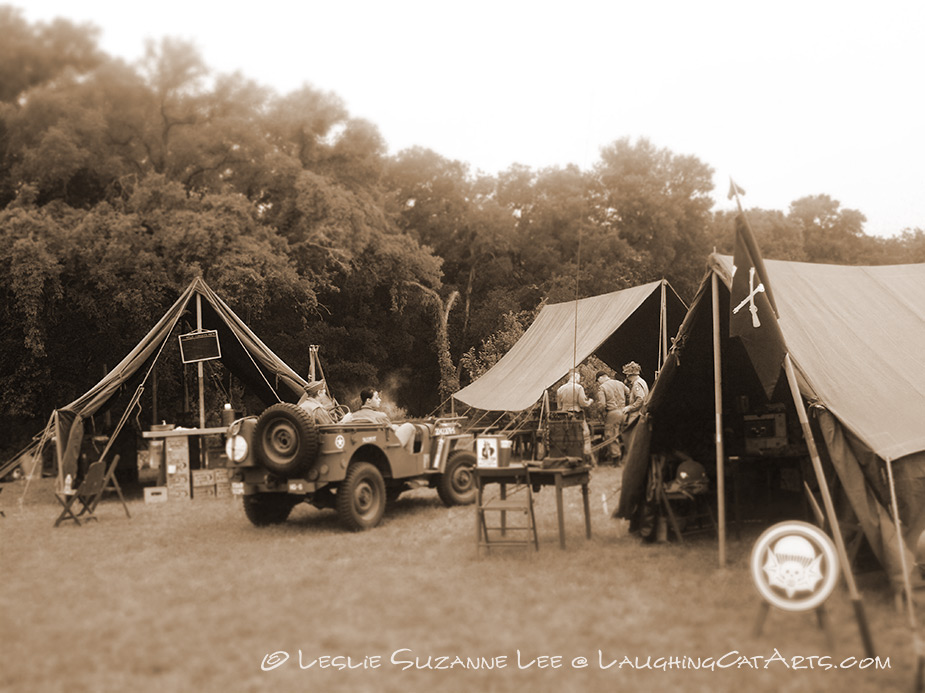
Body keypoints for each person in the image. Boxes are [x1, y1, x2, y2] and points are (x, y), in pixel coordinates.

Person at [341, 388, 416, 449]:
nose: (380, 400)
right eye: (377, 398)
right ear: (368, 400)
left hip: (364, 446)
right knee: (409, 426)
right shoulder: (381, 416)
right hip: (385, 447)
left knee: (395, 426)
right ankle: (407, 459)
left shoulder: (352, 416)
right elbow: (391, 432)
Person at [555, 369, 594, 465]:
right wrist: (590, 401)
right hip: (576, 415)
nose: (580, 379)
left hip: (564, 417)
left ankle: (567, 457)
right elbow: (583, 403)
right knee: (585, 435)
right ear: (576, 376)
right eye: (579, 377)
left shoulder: (560, 389)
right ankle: (586, 457)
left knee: (567, 437)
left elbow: (559, 407)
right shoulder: (578, 387)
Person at [594, 370, 628, 464]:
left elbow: (602, 404)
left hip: (613, 413)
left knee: (610, 435)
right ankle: (626, 457)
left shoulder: (602, 387)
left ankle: (616, 460)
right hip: (624, 412)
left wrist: (601, 414)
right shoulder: (620, 383)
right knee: (623, 434)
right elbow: (629, 393)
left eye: (598, 380)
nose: (598, 383)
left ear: (601, 378)